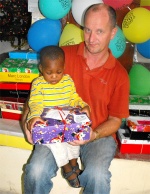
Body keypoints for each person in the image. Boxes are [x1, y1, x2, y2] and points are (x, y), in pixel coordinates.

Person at [22, 3, 129, 194]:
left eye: (99, 31)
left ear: (113, 33)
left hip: (97, 134)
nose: (91, 38)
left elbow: (115, 119)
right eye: (87, 30)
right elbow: (35, 98)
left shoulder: (120, 75)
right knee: (35, 171)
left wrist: (93, 134)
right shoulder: (61, 57)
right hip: (56, 131)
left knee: (97, 176)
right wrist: (27, 122)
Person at [26, 45, 90, 188]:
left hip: (65, 118)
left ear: (64, 67)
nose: (54, 76)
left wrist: (83, 105)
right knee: (56, 143)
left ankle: (74, 162)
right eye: (49, 72)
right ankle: (66, 167)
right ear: (41, 68)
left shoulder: (67, 80)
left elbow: (73, 97)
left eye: (58, 71)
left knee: (74, 137)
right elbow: (35, 103)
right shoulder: (38, 84)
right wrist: (34, 117)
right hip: (47, 120)